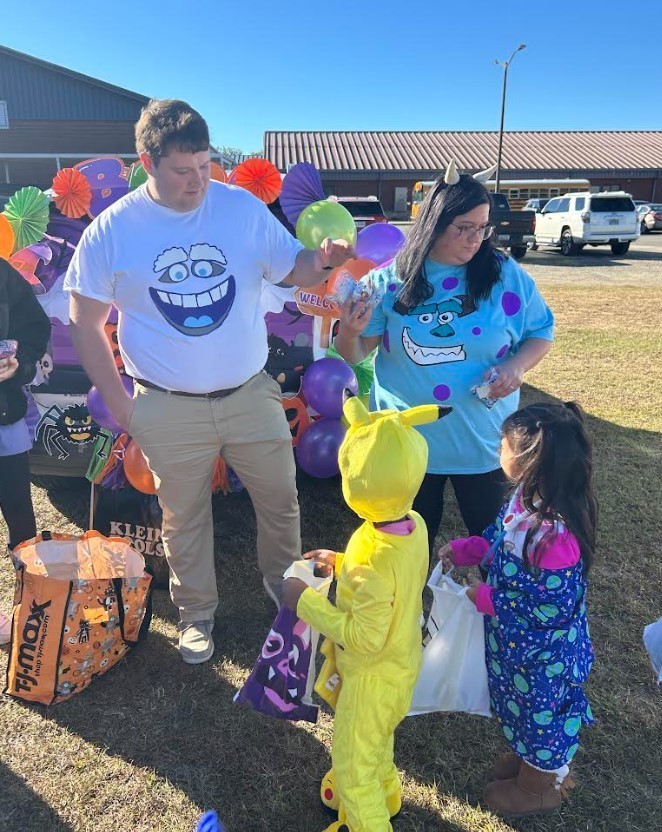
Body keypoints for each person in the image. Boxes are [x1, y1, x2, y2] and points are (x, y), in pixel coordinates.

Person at [65, 99, 353, 665]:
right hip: (166, 406)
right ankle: (197, 614)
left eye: (204, 165)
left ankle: (288, 592)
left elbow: (291, 268)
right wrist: (124, 408)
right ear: (147, 161)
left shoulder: (240, 208)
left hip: (250, 393)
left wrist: (321, 262)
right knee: (183, 516)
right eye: (183, 170)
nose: (198, 181)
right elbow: (84, 322)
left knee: (281, 500)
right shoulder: (112, 230)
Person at [334, 161, 554, 555]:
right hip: (407, 445)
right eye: (463, 228)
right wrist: (350, 330)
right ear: (434, 223)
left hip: (486, 443)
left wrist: (516, 366)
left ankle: (494, 616)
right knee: (405, 554)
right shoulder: (389, 280)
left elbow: (541, 331)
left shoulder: (505, 274)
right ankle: (408, 616)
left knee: (500, 553)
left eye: (483, 227)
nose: (475, 239)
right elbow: (355, 354)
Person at [283, 395, 447, 832]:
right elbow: (389, 583)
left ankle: (368, 820)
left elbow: (364, 635)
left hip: (372, 674)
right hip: (401, 664)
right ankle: (388, 790)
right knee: (376, 741)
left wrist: (304, 601)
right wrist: (340, 562)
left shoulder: (375, 553)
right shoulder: (411, 523)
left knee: (353, 768)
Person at [440, 401, 597, 817]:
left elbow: (546, 609)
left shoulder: (556, 539)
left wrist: (485, 599)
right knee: (519, 703)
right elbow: (496, 537)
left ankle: (541, 785)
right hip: (517, 647)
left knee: (542, 714)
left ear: (531, 461)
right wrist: (465, 549)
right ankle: (531, 761)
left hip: (545, 656)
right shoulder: (524, 501)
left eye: (503, 445)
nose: (498, 450)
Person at [0, 258, 51, 551]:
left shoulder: (4, 275)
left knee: (20, 519)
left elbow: (34, 330)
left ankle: (31, 591)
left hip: (5, 415)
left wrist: (18, 365)